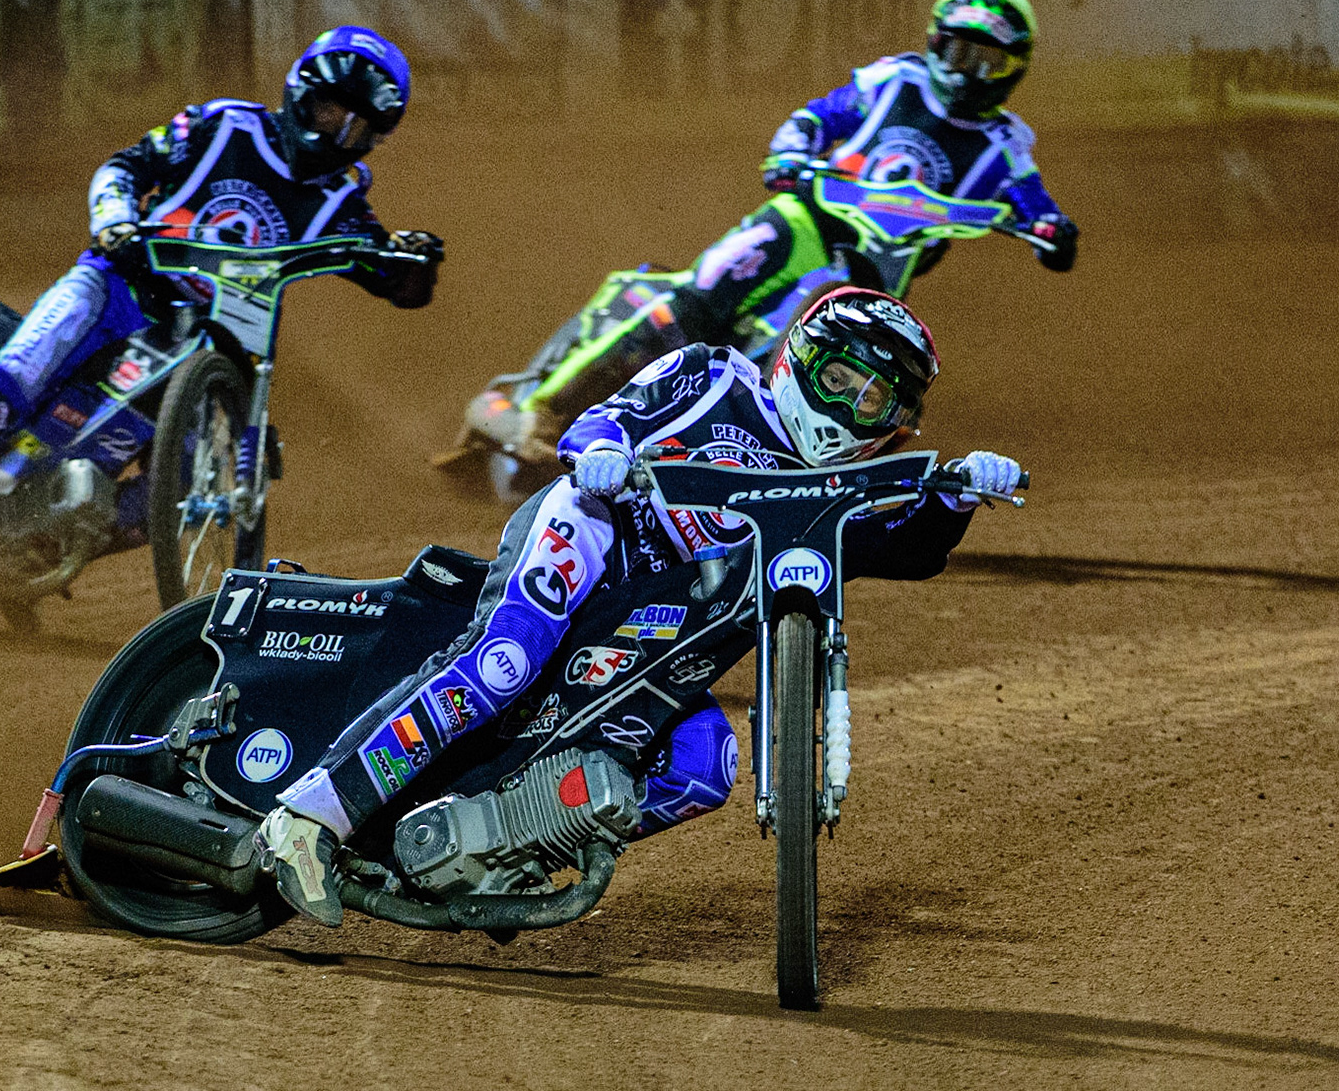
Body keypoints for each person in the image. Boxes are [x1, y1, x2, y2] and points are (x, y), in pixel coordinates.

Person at [260, 287, 1023, 925]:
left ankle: (509, 846)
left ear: (897, 419)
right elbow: (610, 416)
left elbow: (908, 548)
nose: (851, 406)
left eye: (875, 396)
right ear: (799, 359)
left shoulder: (839, 497)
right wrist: (601, 453)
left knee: (703, 767)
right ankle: (307, 816)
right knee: (502, 662)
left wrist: (956, 496)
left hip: (658, 645)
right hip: (592, 536)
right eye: (839, 379)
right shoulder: (715, 376)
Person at [0, 26, 443, 559]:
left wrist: (411, 266)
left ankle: (22, 546)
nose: (338, 136)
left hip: (203, 350)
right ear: (305, 93)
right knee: (12, 384)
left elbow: (391, 281)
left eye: (357, 131)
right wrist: (114, 220)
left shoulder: (342, 200)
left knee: (180, 489)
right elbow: (125, 167)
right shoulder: (224, 127)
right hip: (118, 288)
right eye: (334, 113)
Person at [456, 0, 1074, 473]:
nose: (962, 69)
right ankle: (542, 409)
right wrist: (791, 155)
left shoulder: (1004, 145)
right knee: (693, 301)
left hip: (878, 271)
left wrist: (1050, 229)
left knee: (816, 371)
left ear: (1011, 68)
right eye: (953, 50)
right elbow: (812, 120)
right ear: (934, 42)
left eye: (982, 58)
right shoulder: (894, 81)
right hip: (804, 218)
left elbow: (1038, 207)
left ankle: (746, 469)